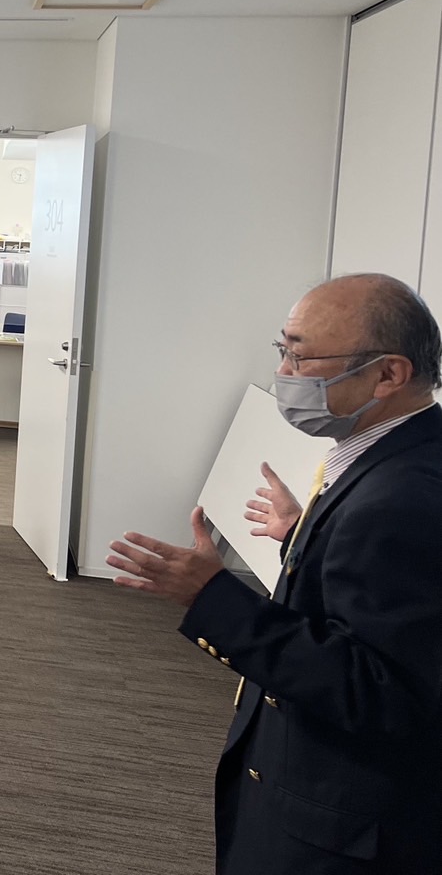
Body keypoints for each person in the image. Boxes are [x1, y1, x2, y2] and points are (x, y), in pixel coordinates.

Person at [105, 274, 442, 874]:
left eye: (301, 357)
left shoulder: (402, 497)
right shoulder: (403, 454)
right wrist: (303, 536)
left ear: (389, 374)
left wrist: (212, 596)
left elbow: (382, 693)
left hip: (339, 827)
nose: (284, 373)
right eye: (281, 350)